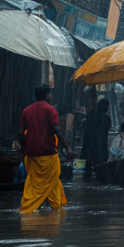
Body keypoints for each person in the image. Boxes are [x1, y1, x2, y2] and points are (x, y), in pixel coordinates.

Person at [18, 85, 73, 213]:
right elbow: (56, 129)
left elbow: (20, 132)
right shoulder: (50, 110)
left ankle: (29, 205)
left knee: (33, 181)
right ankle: (55, 206)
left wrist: (23, 148)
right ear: (47, 95)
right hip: (48, 153)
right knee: (52, 179)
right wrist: (68, 148)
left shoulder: (26, 110)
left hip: (31, 154)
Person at [81, 99, 112, 179]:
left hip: (89, 145)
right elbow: (106, 131)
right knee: (100, 168)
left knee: (88, 167)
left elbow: (85, 126)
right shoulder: (106, 118)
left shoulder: (90, 114)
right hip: (100, 146)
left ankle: (87, 182)